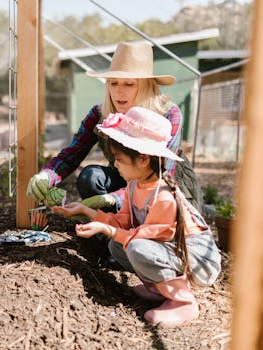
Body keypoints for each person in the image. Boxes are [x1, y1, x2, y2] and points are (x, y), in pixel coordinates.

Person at [52, 106, 221, 327]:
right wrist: (86, 211)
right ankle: (159, 289)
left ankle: (184, 303)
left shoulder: (164, 197)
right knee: (117, 247)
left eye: (119, 159)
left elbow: (139, 237)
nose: (115, 165)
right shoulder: (134, 186)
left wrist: (106, 229)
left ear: (142, 159)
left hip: (198, 261)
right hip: (171, 251)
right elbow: (123, 223)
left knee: (136, 248)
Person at [26, 41, 202, 213]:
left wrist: (113, 198)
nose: (119, 91)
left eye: (129, 84)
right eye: (113, 83)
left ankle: (127, 228)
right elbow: (72, 153)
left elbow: (162, 175)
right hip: (124, 175)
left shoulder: (168, 114)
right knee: (90, 177)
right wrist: (46, 175)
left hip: (164, 188)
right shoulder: (99, 114)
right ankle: (108, 229)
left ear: (146, 85)